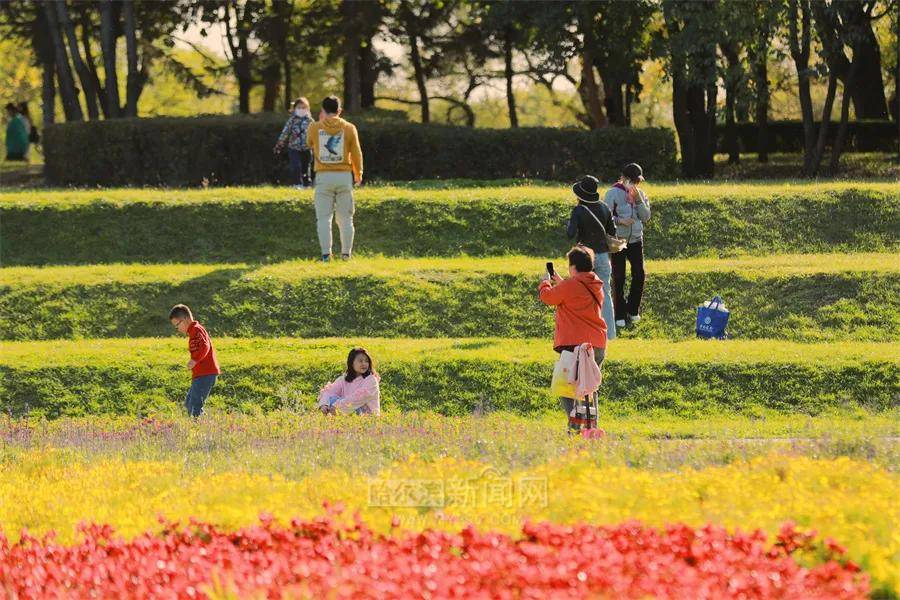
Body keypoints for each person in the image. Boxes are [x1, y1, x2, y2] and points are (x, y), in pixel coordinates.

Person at [538, 245, 608, 425]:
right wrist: (563, 282)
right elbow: (577, 295)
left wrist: (545, 282)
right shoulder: (595, 284)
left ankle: (576, 425)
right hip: (597, 344)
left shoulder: (571, 285)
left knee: (566, 387)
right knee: (589, 388)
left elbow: (548, 298)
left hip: (575, 346)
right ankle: (591, 426)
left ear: (573, 266)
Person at [307, 95, 364, 262]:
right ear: (339, 110)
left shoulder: (314, 127)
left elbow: (308, 143)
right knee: (346, 218)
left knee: (323, 218)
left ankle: (326, 255)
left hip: (323, 177)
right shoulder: (349, 128)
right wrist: (358, 173)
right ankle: (346, 254)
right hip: (344, 177)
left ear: (323, 110)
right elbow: (356, 153)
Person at [567, 175, 618, 341]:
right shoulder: (604, 208)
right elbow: (613, 232)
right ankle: (609, 335)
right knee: (605, 293)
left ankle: (582, 333)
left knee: (579, 294)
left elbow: (570, 234)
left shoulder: (579, 210)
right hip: (603, 255)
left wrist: (572, 221)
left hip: (584, 257)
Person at [605, 163, 651, 329]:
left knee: (639, 274)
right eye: (632, 181)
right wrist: (620, 221)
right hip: (619, 241)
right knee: (619, 277)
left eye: (637, 182)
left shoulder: (641, 194)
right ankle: (619, 314)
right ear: (623, 178)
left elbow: (646, 217)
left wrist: (638, 200)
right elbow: (607, 217)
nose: (635, 184)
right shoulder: (612, 193)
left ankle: (633, 310)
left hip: (636, 240)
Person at [169, 304, 221, 417]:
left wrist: (195, 360)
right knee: (189, 404)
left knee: (194, 405)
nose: (177, 329)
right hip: (199, 375)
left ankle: (199, 427)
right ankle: (203, 424)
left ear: (185, 319)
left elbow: (205, 346)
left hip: (206, 373)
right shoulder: (193, 332)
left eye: (177, 325)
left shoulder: (197, 330)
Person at [318, 347, 381, 415]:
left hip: (366, 415)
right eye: (360, 361)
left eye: (366, 361)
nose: (364, 364)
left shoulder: (371, 380)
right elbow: (330, 392)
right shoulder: (343, 379)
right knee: (332, 399)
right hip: (347, 410)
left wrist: (336, 406)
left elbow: (357, 399)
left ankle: (339, 416)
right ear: (351, 363)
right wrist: (324, 405)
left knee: (338, 403)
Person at [273, 97, 313, 189]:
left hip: (307, 148)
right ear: (294, 109)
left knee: (306, 167)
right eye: (299, 107)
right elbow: (285, 132)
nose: (301, 110)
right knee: (296, 166)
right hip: (294, 148)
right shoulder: (292, 120)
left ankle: (307, 184)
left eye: (304, 107)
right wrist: (279, 144)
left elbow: (314, 134)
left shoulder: (310, 121)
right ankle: (297, 184)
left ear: (307, 109)